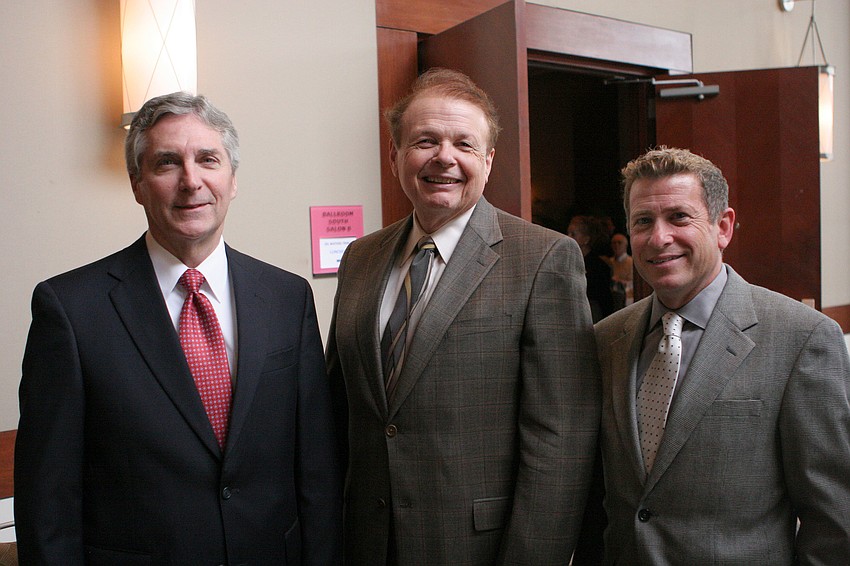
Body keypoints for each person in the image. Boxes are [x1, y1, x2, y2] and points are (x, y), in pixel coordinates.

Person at [15, 92, 343, 565]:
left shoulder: (287, 299)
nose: (192, 181)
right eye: (167, 163)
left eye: (208, 159)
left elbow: (317, 471)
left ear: (232, 179)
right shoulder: (69, 310)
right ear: (137, 184)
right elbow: (48, 499)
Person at [326, 68, 600, 565]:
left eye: (464, 144)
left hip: (478, 548)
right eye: (425, 140)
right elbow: (339, 409)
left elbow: (561, 441)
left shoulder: (543, 259)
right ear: (395, 157)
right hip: (365, 542)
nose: (443, 157)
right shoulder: (360, 259)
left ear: (488, 161)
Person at [593, 147, 850, 564]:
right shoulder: (606, 340)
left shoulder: (801, 338)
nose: (659, 238)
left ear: (723, 227)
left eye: (679, 217)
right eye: (643, 221)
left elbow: (834, 520)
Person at [567, 215, 614, 322]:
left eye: (573, 234)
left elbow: (605, 301)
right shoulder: (568, 262)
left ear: (586, 240)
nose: (568, 237)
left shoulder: (599, 267)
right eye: (568, 233)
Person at [604, 233, 633, 309]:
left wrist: (618, 281)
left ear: (626, 245)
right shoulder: (609, 262)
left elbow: (633, 284)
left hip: (627, 300)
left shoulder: (632, 262)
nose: (616, 245)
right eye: (614, 243)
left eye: (619, 243)